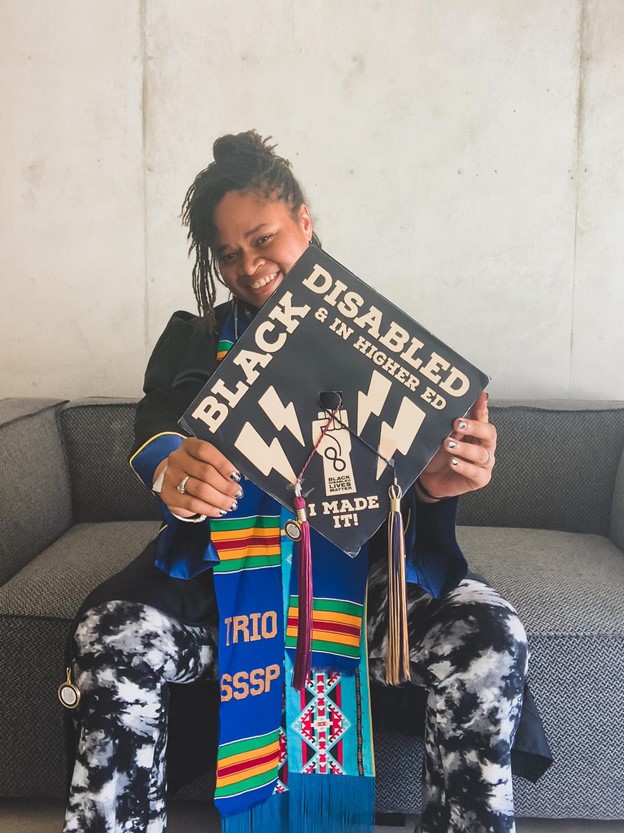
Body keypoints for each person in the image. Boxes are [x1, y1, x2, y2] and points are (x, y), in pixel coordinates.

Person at [62, 131, 544, 833]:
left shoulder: (382, 344)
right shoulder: (196, 339)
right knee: (111, 631)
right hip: (224, 585)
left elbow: (411, 484)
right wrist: (173, 467)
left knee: (491, 633)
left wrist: (437, 483)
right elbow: (159, 422)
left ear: (306, 223)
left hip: (365, 584)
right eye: (228, 254)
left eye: (262, 240)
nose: (247, 266)